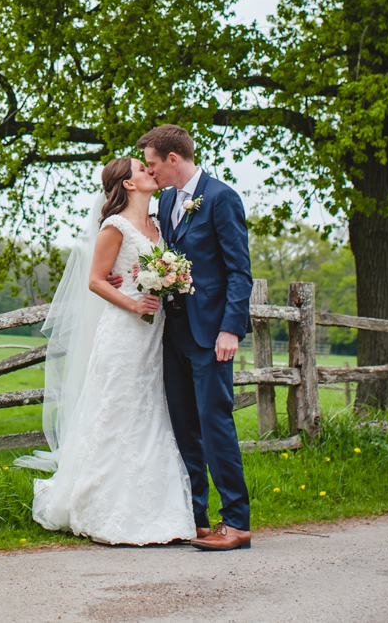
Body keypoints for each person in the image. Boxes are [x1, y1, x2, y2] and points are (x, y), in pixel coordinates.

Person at [20, 156, 195, 545]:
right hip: (124, 333)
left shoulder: (161, 223)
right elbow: (96, 281)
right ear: (128, 184)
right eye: (141, 169)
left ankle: (158, 510)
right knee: (117, 409)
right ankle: (102, 506)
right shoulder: (114, 226)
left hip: (156, 334)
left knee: (152, 412)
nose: (150, 172)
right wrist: (134, 303)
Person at [139, 123, 255, 551]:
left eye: (153, 165)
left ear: (173, 159)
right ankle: (196, 518)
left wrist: (230, 328)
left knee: (215, 422)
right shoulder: (167, 200)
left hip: (211, 335)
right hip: (174, 334)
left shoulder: (222, 198)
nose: (150, 174)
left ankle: (237, 522)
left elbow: (239, 272)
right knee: (184, 426)